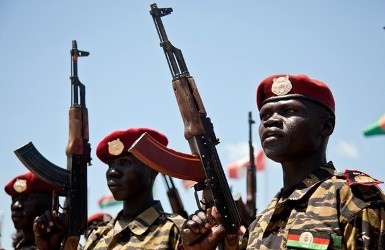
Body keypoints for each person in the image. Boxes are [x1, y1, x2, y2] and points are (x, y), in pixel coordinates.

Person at [181, 74, 385, 249]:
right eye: (265, 115)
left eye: (289, 111)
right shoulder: (262, 222)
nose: (271, 120)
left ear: (326, 126)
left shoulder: (353, 197)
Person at [33, 127, 186, 249]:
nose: (113, 172)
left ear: (152, 169)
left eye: (125, 162)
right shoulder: (98, 235)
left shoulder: (177, 230)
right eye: (110, 165)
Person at [4, 171, 60, 250]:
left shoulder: (64, 245)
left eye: (28, 198)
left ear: (49, 202)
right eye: (14, 199)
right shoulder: (21, 246)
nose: (16, 205)